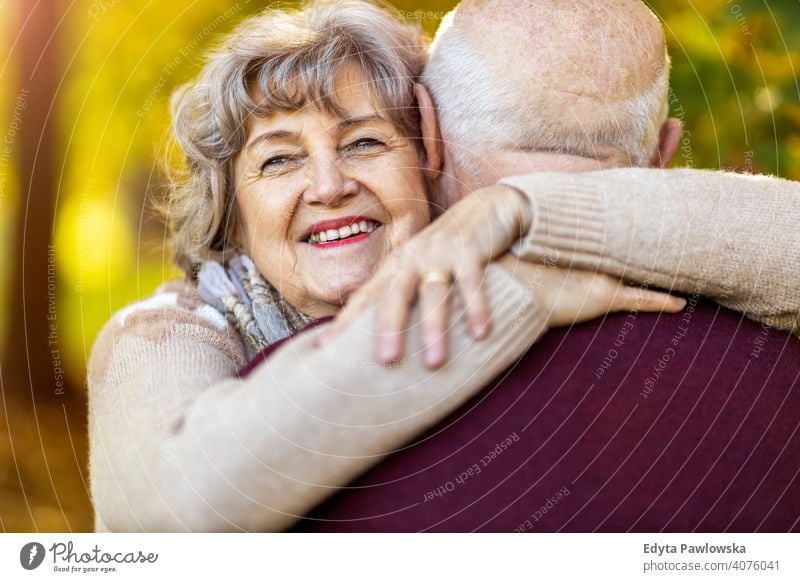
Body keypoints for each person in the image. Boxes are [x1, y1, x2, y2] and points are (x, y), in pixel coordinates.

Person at [87, 0, 678, 532]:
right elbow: (167, 513)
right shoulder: (160, 331)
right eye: (278, 161)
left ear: (430, 158)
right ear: (231, 211)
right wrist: (512, 297)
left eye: (364, 143)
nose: (328, 185)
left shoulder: (533, 274)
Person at [290, 0, 800, 531]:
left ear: (425, 130)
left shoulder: (307, 399)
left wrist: (522, 208)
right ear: (664, 153)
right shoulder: (777, 375)